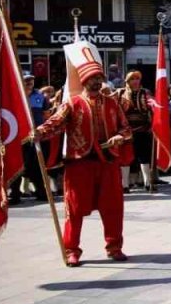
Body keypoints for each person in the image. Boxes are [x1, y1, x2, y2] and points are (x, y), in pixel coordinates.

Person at [30, 42, 133, 267]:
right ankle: (71, 250)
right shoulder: (72, 103)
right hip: (80, 163)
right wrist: (38, 132)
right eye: (93, 78)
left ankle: (114, 246)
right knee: (74, 209)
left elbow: (125, 129)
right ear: (84, 81)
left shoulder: (112, 104)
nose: (97, 81)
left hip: (107, 162)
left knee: (113, 208)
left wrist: (120, 137)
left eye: (99, 77)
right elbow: (54, 124)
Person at [117, 71, 156, 193]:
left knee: (144, 157)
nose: (135, 81)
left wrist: (153, 125)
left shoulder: (145, 93)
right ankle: (125, 185)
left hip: (143, 129)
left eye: (137, 78)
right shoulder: (120, 93)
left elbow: (153, 108)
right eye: (132, 79)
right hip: (125, 131)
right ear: (127, 81)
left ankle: (148, 183)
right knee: (125, 157)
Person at [19, 74, 52, 201]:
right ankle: (16, 193)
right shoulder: (17, 95)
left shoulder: (40, 97)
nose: (29, 82)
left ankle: (41, 192)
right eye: (26, 80)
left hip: (37, 136)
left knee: (37, 165)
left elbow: (46, 115)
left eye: (31, 80)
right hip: (22, 137)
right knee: (23, 164)